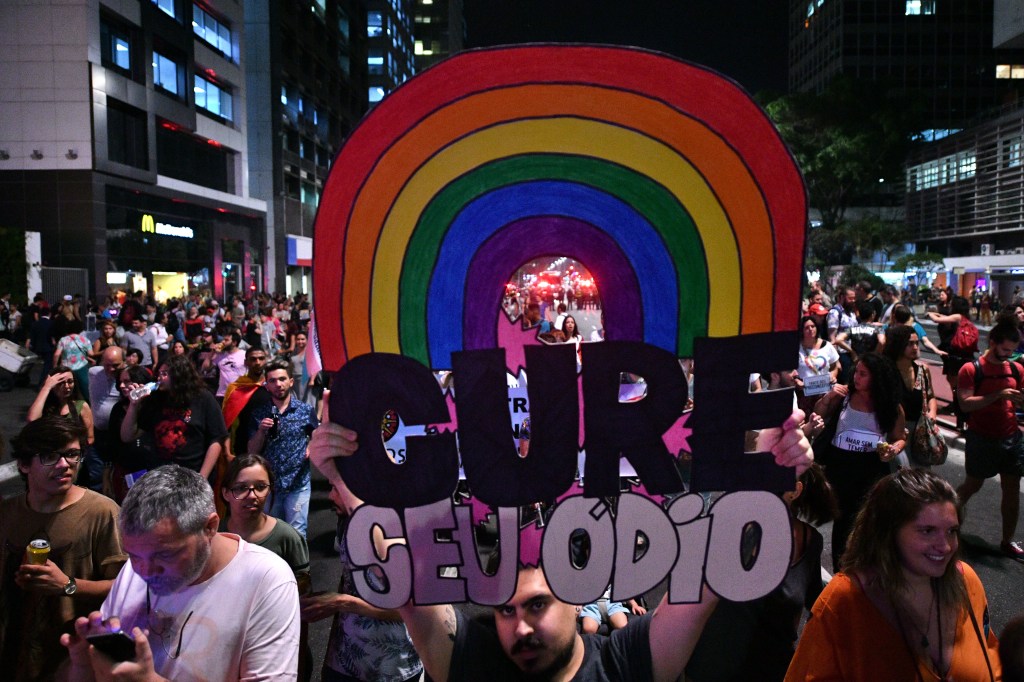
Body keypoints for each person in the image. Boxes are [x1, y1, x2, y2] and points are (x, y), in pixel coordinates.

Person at [307, 398, 813, 682]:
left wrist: (768, 476)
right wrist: (344, 481)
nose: (520, 627)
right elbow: (408, 585)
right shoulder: (474, 666)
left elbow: (709, 580)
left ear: (578, 598)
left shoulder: (626, 665)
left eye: (537, 605)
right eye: (506, 611)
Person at [60, 465, 301, 680]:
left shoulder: (267, 579)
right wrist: (84, 665)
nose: (144, 571)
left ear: (210, 527)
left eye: (164, 555)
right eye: (133, 555)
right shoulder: (136, 568)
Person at [785, 469, 1001, 681]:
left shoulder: (966, 581)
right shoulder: (845, 600)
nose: (945, 546)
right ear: (887, 534)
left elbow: (992, 663)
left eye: (951, 531)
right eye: (927, 531)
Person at [0, 417, 126, 681]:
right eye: (49, 456)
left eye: (72, 454)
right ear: (24, 465)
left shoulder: (102, 513)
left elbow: (127, 588)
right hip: (12, 653)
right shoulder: (8, 513)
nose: (65, 464)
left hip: (72, 658)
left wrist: (68, 585)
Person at [687, 463, 837, 682]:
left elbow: (815, 602)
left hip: (772, 668)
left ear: (794, 491)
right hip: (718, 669)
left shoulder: (810, 542)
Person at [301, 476, 423, 682]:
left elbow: (411, 609)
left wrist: (341, 602)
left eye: (338, 489)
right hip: (347, 658)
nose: (330, 495)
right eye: (331, 487)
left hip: (391, 665)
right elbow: (349, 583)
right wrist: (331, 653)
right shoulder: (348, 523)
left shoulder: (394, 533)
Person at [813, 353, 906, 570]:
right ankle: (840, 569)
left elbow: (899, 438)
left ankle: (864, 566)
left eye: (863, 374)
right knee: (842, 520)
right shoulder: (844, 396)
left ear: (877, 378)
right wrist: (827, 398)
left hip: (871, 467)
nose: (856, 377)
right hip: (841, 467)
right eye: (856, 372)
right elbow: (818, 414)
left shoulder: (891, 407)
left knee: (867, 520)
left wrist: (893, 449)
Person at [956, 320, 1024, 561]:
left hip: (1011, 436)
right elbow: (965, 403)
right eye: (1005, 350)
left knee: (1012, 488)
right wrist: (998, 395)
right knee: (973, 485)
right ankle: (947, 524)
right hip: (982, 437)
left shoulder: (1016, 369)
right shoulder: (972, 369)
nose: (1009, 355)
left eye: (1012, 351)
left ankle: (1007, 541)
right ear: (992, 342)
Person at [120, 354, 228, 479]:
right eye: (159, 373)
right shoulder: (155, 399)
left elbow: (216, 439)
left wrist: (202, 477)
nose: (160, 377)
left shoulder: (203, 398)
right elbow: (127, 436)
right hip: (160, 476)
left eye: (165, 373)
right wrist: (133, 405)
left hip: (192, 474)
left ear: (179, 376)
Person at [248, 359, 318, 536]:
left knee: (297, 533)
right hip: (270, 485)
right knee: (272, 534)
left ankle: (298, 565)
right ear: (267, 385)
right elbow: (252, 451)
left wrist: (310, 446)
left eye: (282, 379)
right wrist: (261, 431)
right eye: (272, 381)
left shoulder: (305, 410)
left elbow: (317, 435)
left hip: (298, 483)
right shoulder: (259, 413)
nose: (278, 384)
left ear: (290, 381)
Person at [882, 325, 938, 469]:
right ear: (898, 345)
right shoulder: (886, 370)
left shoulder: (922, 370)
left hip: (919, 431)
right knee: (900, 471)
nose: (915, 347)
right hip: (893, 431)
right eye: (909, 343)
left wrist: (932, 412)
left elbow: (930, 396)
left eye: (916, 343)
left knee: (921, 475)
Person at [88, 346, 125, 489]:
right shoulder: (93, 373)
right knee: (96, 475)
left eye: (115, 365)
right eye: (107, 365)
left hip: (119, 437)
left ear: (124, 361)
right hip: (97, 434)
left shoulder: (127, 378)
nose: (110, 369)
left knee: (117, 476)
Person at [795, 315, 839, 415]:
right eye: (806, 327)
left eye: (813, 326)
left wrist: (833, 375)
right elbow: (789, 371)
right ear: (801, 330)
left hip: (824, 389)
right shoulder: (795, 348)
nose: (810, 329)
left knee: (822, 418)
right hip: (803, 392)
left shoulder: (827, 346)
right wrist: (796, 381)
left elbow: (835, 366)